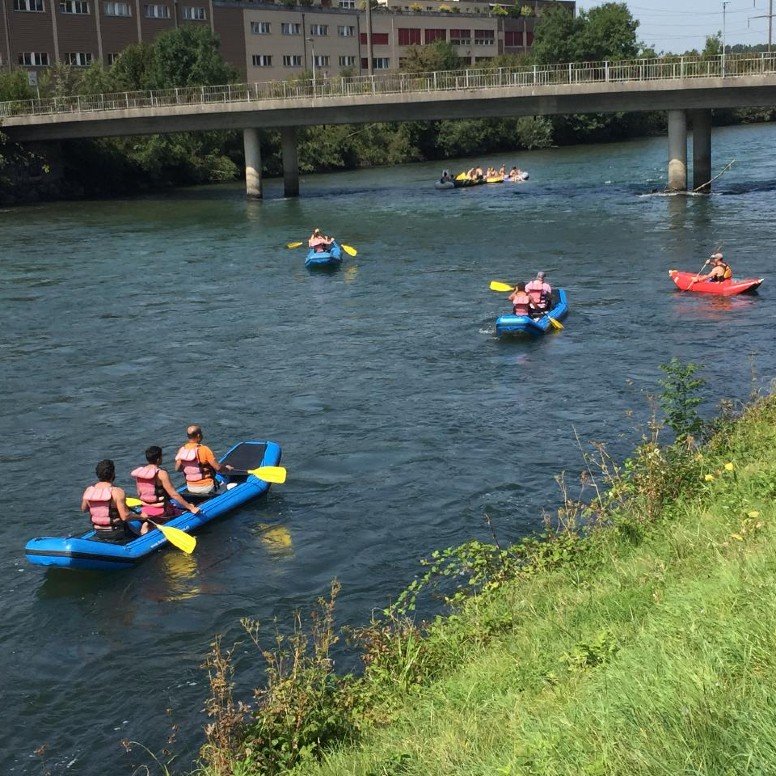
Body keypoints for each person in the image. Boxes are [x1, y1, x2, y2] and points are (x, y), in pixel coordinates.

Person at [131, 446, 200, 534]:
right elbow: (173, 494)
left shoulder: (140, 474)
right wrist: (190, 507)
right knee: (182, 510)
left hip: (145, 510)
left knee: (162, 509)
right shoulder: (161, 473)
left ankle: (147, 523)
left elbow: (139, 493)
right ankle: (152, 525)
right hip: (162, 511)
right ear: (158, 459)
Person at [81, 459, 135, 542]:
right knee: (142, 527)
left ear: (97, 474)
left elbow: (84, 509)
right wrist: (142, 517)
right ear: (113, 473)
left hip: (99, 532)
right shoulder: (117, 492)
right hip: (117, 533)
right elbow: (125, 517)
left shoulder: (89, 491)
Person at [175, 425, 233, 497]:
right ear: (199, 435)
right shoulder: (204, 449)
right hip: (207, 487)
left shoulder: (182, 450)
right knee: (225, 485)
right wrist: (227, 468)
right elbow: (218, 468)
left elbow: (177, 469)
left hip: (191, 487)